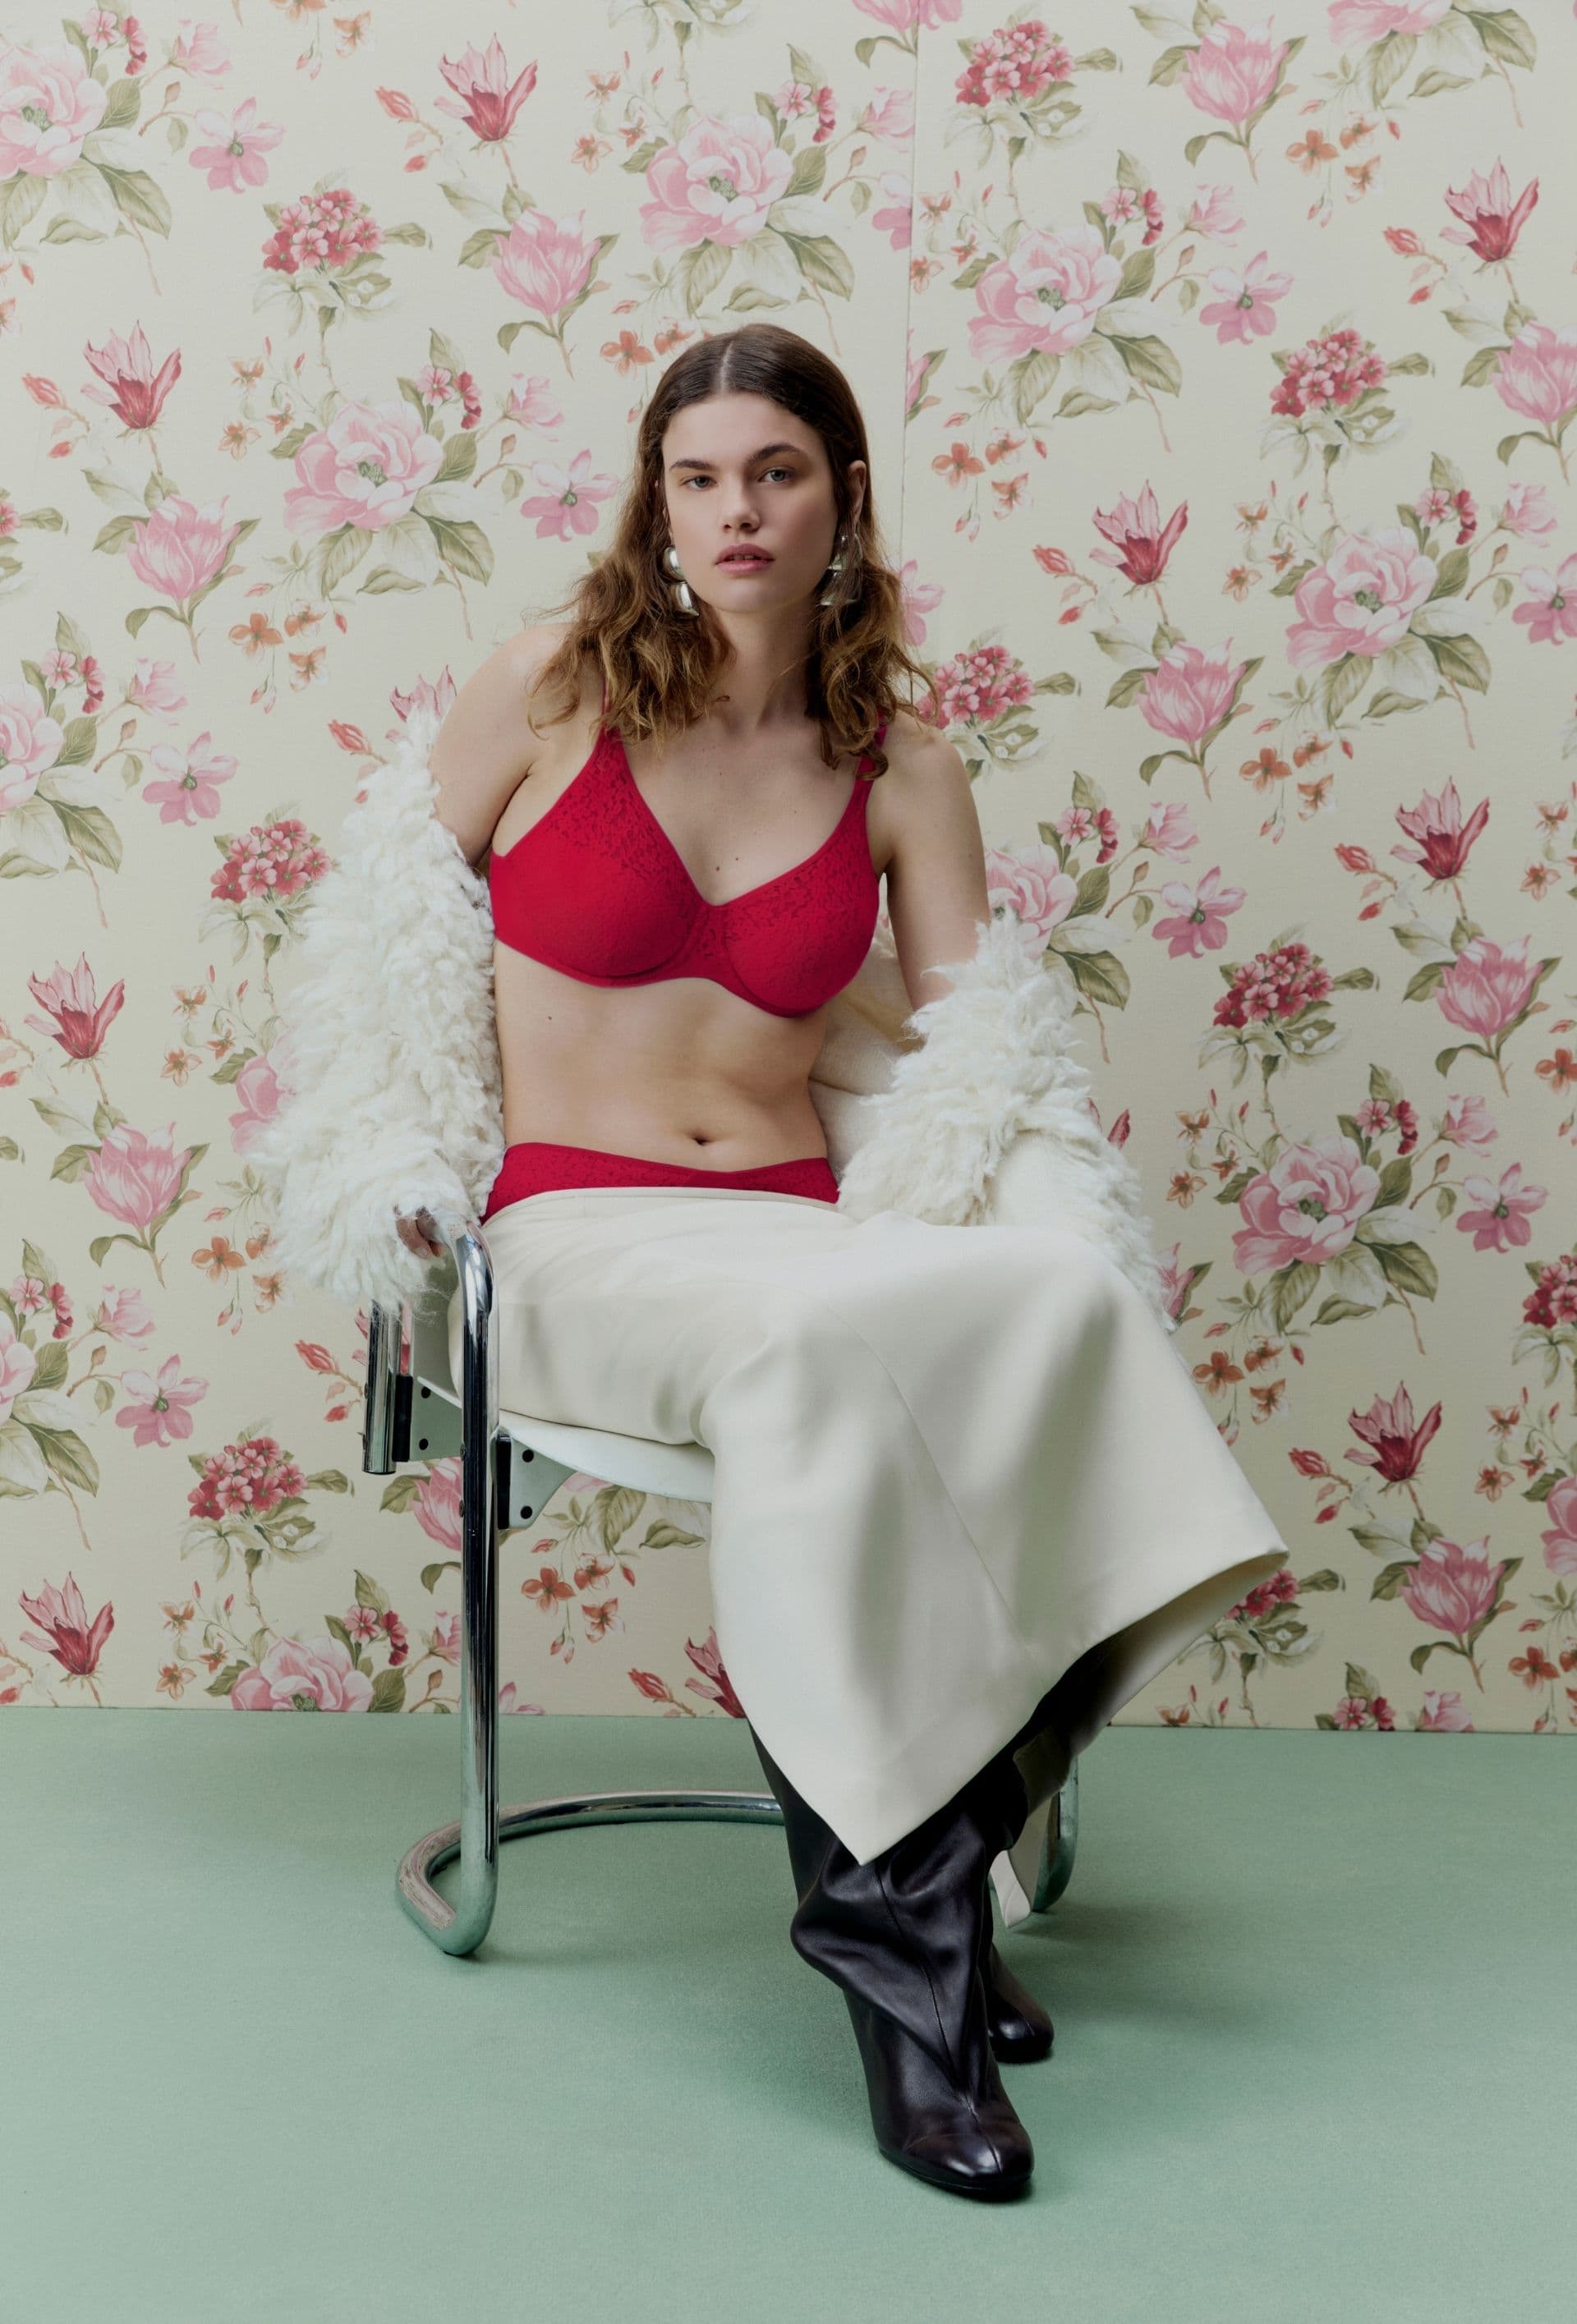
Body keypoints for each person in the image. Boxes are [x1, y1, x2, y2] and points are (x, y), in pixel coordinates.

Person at [391, 323, 1287, 2202]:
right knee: (829, 1348)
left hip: (802, 1224)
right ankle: (912, 1985)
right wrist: (390, 1173)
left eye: (775, 472)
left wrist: (1047, 1215)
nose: (735, 509)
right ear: (657, 496)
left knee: (1061, 1299)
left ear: (842, 497)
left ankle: (933, 1866)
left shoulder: (900, 757)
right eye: (700, 475)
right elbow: (377, 937)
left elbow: (990, 1057)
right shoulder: (550, 691)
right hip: (577, 1228)